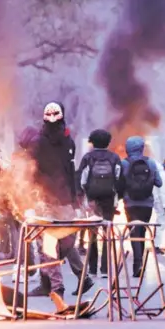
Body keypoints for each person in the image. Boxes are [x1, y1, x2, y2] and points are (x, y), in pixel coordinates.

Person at [28, 101, 94, 300]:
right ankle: (76, 278)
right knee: (63, 239)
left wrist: (32, 197)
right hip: (64, 199)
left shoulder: (38, 142)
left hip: (47, 199)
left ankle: (54, 287)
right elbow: (70, 172)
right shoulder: (68, 141)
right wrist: (75, 199)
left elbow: (33, 172)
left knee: (47, 243)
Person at [77, 129, 124, 277]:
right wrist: (117, 198)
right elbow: (119, 179)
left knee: (92, 233)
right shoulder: (114, 158)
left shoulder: (87, 157)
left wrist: (86, 197)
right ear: (108, 142)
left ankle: (92, 269)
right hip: (109, 199)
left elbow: (82, 180)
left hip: (92, 199)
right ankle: (105, 269)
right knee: (107, 233)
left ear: (92, 141)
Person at [121, 136, 162, 277]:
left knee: (134, 233)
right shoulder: (150, 163)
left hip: (130, 203)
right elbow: (159, 183)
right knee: (143, 233)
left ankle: (137, 265)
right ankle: (141, 264)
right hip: (147, 204)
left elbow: (119, 183)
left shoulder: (124, 163)